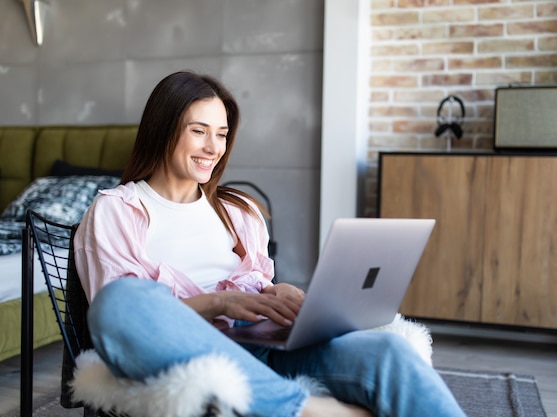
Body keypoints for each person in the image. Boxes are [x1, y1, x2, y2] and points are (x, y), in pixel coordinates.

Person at [74, 70, 466, 417]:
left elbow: (259, 286)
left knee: (391, 354)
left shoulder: (239, 210)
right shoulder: (118, 209)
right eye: (199, 131)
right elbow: (120, 321)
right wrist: (219, 302)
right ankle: (307, 410)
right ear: (162, 129)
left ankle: (277, 397)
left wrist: (279, 294)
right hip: (186, 353)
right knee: (119, 301)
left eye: (222, 134)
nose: (214, 148)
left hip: (263, 347)